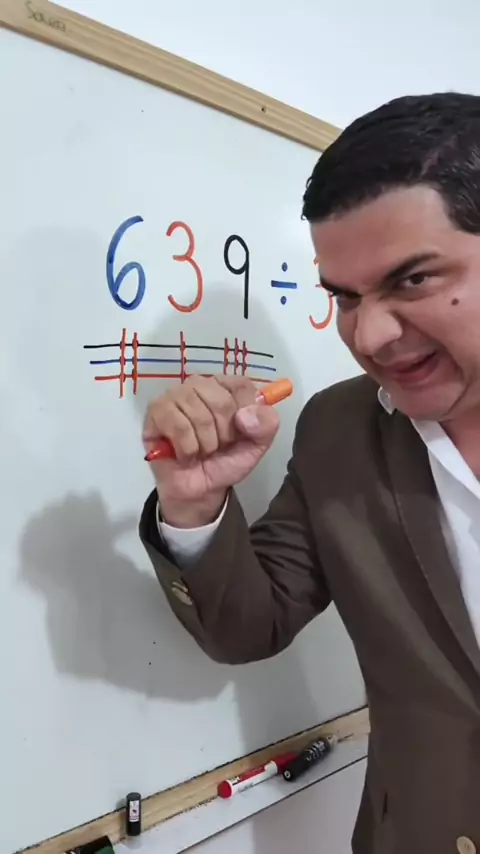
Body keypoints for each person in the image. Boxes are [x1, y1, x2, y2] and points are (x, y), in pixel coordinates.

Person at [139, 93, 480, 854]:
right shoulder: (339, 430)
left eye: (412, 280)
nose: (371, 334)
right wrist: (194, 504)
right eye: (345, 298)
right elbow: (247, 626)